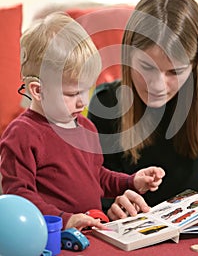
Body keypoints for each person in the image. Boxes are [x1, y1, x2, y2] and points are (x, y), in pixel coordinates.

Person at [0, 12, 165, 231]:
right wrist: (65, 219)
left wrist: (131, 181)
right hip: (51, 237)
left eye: (86, 90)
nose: (83, 102)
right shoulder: (21, 134)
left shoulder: (85, 127)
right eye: (71, 94)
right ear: (38, 91)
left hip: (92, 231)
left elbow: (97, 175)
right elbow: (19, 197)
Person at [88, 0, 198, 214]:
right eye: (146, 67)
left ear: (195, 64)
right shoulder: (106, 104)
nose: (157, 85)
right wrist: (109, 207)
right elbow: (93, 193)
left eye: (174, 72)